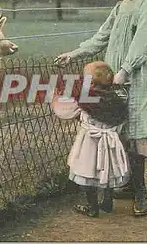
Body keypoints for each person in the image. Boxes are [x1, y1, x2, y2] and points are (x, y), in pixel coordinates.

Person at [54, 0, 147, 216]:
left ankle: (141, 193)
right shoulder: (122, 6)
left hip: (137, 78)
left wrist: (126, 70)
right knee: (115, 133)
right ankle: (125, 184)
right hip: (114, 78)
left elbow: (144, 42)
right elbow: (102, 36)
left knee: (136, 133)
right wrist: (75, 53)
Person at [51, 61, 129, 217]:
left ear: (91, 82)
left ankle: (92, 207)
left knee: (86, 172)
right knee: (108, 171)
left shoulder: (86, 99)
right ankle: (107, 202)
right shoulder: (117, 99)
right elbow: (121, 119)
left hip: (89, 143)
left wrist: (54, 97)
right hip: (110, 143)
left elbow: (64, 111)